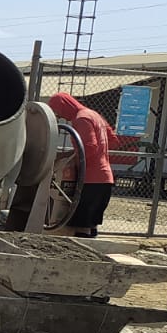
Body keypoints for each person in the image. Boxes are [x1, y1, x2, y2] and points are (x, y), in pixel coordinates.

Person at [48, 91, 117, 238]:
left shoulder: (81, 119)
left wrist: (65, 158)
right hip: (104, 178)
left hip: (90, 179)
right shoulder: (93, 115)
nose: (60, 116)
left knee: (82, 225)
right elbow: (112, 138)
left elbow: (88, 148)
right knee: (90, 223)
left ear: (65, 106)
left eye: (58, 112)